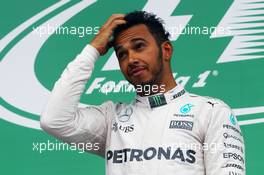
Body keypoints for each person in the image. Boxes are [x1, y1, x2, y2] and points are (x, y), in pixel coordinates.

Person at [40, 11, 245, 175]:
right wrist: (93, 49)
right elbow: (54, 120)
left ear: (166, 50)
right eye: (122, 54)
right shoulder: (112, 119)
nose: (131, 59)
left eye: (139, 46)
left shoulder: (211, 111)